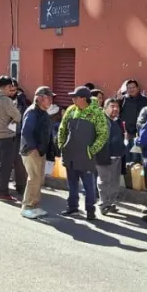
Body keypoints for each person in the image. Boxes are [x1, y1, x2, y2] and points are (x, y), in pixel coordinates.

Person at [57, 86, 108, 220]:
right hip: (70, 154)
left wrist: (91, 150)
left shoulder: (96, 112)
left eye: (75, 97)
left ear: (83, 99)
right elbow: (62, 128)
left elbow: (103, 134)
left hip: (86, 157)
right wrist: (62, 145)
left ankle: (90, 210)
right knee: (72, 183)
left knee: (88, 185)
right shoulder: (71, 110)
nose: (72, 99)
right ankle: (72, 207)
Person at [19, 86, 54, 219]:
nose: (50, 101)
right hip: (31, 151)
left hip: (40, 150)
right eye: (48, 98)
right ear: (39, 98)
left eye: (51, 98)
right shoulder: (33, 112)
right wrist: (33, 147)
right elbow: (26, 131)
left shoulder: (42, 112)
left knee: (39, 179)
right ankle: (27, 206)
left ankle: (34, 205)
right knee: (34, 178)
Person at [0, 76, 23, 201]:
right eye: (10, 86)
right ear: (7, 86)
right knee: (5, 166)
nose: (11, 89)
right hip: (7, 136)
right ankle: (3, 193)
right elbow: (18, 116)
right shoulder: (6, 100)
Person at [97, 97, 127, 216]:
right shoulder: (101, 121)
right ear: (105, 108)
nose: (115, 109)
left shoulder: (118, 121)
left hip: (117, 156)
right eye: (112, 106)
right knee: (104, 182)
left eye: (117, 107)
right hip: (104, 156)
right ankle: (103, 204)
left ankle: (111, 203)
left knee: (115, 181)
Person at [118, 79, 147, 168]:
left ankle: (136, 180)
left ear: (138, 88)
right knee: (126, 159)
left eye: (133, 87)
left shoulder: (145, 100)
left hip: (139, 134)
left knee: (137, 161)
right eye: (129, 88)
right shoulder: (122, 100)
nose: (131, 89)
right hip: (126, 134)